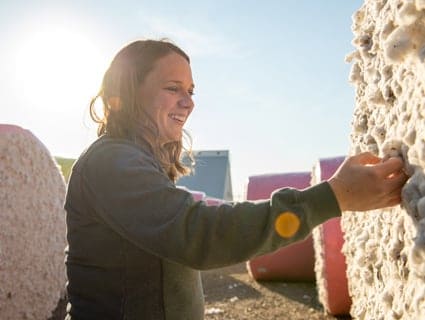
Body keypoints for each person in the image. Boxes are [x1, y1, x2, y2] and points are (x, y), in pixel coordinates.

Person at [64, 39, 408, 320]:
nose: (188, 103)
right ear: (121, 98)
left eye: (191, 91)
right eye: (173, 88)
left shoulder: (136, 163)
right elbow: (200, 234)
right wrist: (332, 197)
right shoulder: (111, 161)